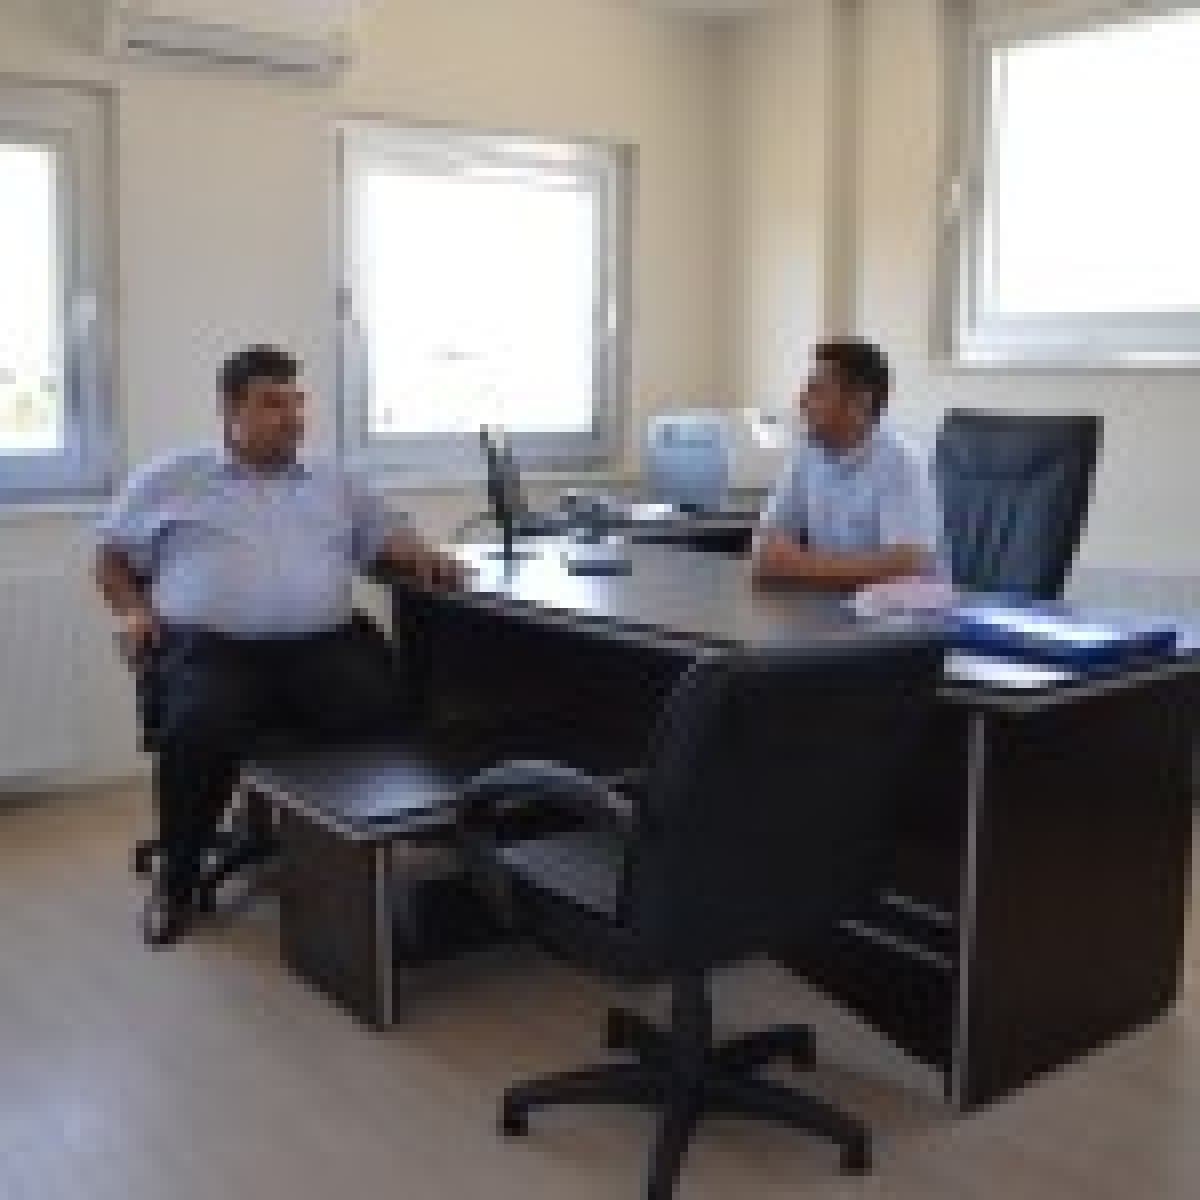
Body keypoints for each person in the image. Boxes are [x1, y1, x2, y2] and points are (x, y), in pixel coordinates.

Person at [95, 345, 465, 946]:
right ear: (230, 410)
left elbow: (387, 534)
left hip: (322, 645)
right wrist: (135, 611)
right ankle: (178, 882)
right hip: (213, 648)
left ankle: (365, 862)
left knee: (393, 710)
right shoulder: (172, 478)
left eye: (297, 403)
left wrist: (419, 553)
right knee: (198, 730)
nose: (293, 418)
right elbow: (111, 559)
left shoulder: (334, 480)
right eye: (273, 404)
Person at [751, 338, 943, 589]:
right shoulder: (807, 454)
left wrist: (801, 566)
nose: (802, 402)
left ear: (859, 402)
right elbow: (765, 548)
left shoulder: (902, 463)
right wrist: (799, 564)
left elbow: (909, 566)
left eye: (817, 391)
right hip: (827, 604)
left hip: (898, 612)